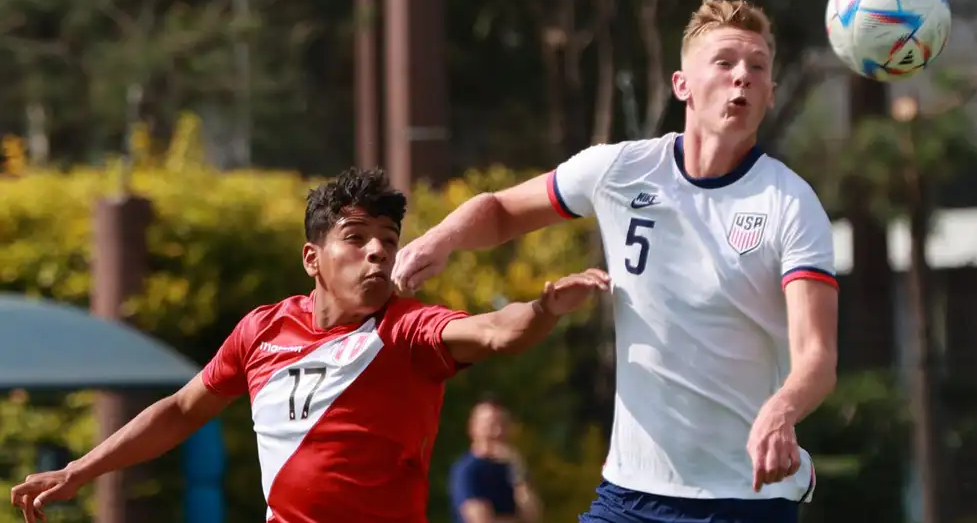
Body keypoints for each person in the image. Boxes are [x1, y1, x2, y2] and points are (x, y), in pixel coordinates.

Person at [392, 0, 839, 523]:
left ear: (770, 94)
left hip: (742, 500)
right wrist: (439, 239)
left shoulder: (790, 203)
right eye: (725, 62)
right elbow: (501, 210)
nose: (742, 77)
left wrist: (782, 411)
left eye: (758, 67)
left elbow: (818, 357)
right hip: (629, 496)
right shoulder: (621, 169)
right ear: (682, 85)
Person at [10, 168, 610, 523]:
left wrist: (542, 308)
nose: (378, 251)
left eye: (388, 239)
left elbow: (495, 333)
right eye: (356, 237)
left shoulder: (405, 330)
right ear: (312, 258)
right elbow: (180, 411)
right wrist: (80, 470)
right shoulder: (261, 330)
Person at [448, 398, 541, 523]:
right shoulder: (468, 470)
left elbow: (533, 516)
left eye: (503, 425)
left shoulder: (512, 468)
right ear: (473, 428)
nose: (498, 432)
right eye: (491, 426)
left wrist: (518, 469)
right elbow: (481, 520)